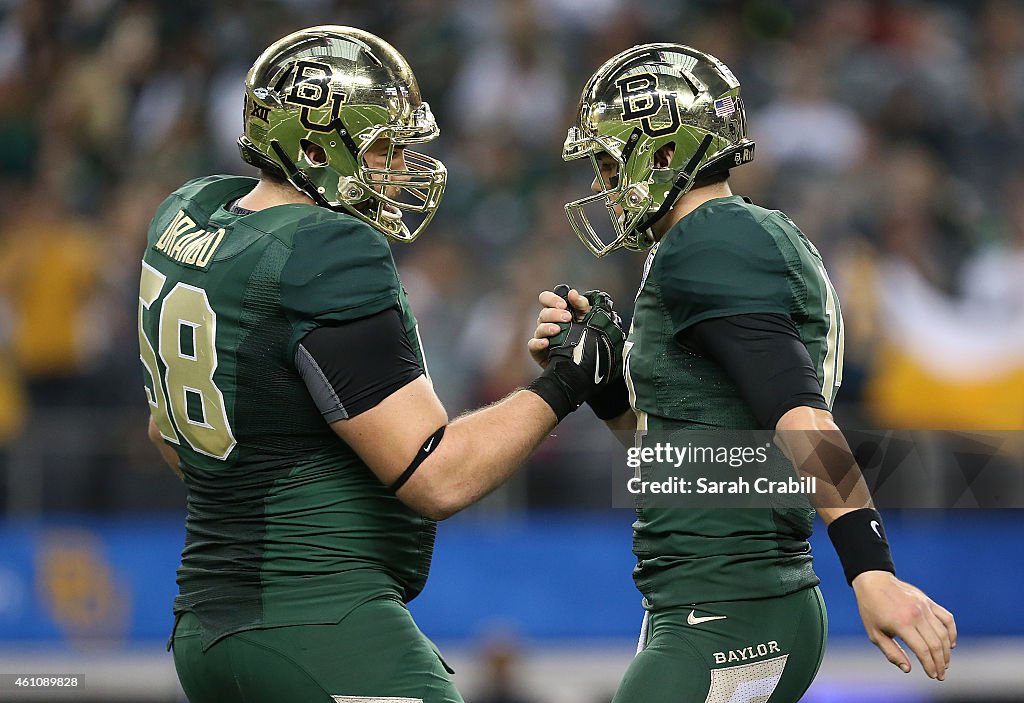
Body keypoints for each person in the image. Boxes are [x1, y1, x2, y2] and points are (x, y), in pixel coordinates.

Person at [139, 26, 615, 703]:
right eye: (383, 147)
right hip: (317, 622)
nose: (398, 167)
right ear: (313, 147)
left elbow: (169, 437)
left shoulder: (189, 216)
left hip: (205, 626)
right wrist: (569, 381)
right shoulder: (325, 250)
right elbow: (436, 475)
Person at [529, 44, 957, 703]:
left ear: (665, 151)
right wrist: (607, 383)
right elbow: (694, 457)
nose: (599, 184)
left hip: (733, 603)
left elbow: (801, 414)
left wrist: (871, 567)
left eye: (609, 160)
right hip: (714, 598)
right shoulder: (717, 239)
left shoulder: (712, 238)